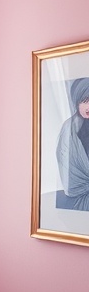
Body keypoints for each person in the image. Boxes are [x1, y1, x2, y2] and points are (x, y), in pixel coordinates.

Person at [55, 76, 89, 210]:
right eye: (85, 101)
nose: (88, 107)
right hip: (78, 197)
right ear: (76, 102)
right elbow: (69, 176)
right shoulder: (68, 129)